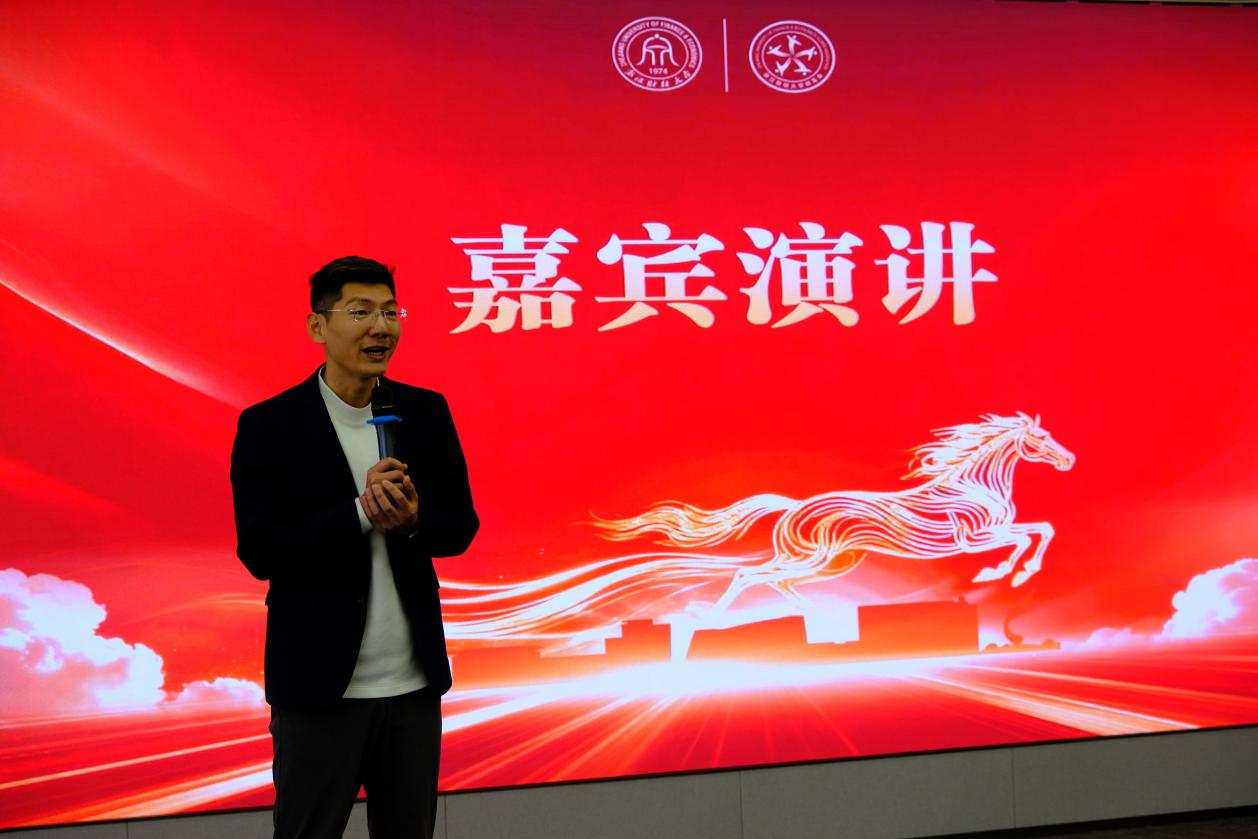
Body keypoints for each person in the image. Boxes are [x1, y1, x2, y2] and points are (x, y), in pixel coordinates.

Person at [230, 255, 478, 839]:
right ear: (318, 326)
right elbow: (261, 550)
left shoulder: (425, 411)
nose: (381, 328)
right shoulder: (270, 425)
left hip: (413, 688)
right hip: (319, 689)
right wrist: (361, 514)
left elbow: (460, 527)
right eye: (361, 312)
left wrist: (413, 522)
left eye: (391, 313)